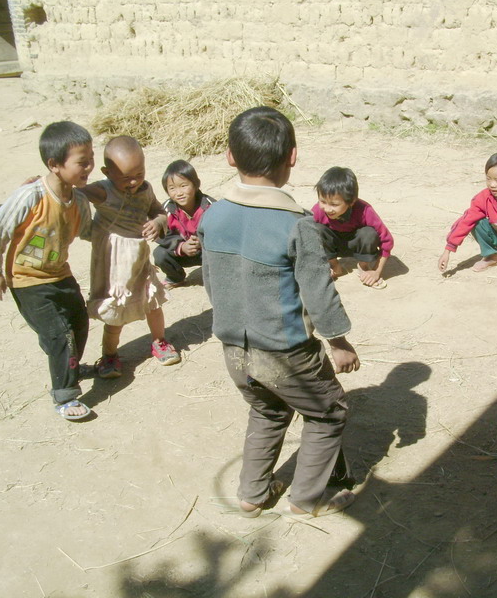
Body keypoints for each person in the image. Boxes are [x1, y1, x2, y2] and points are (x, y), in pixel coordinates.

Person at [198, 106, 360, 518]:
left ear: (230, 157)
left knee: (268, 408)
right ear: (292, 157)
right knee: (328, 413)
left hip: (234, 348)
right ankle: (307, 499)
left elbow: (212, 283)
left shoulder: (212, 215)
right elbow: (317, 290)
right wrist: (338, 342)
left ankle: (252, 494)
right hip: (287, 352)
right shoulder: (297, 224)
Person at [0, 121, 94, 420]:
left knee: (78, 322)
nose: (89, 167)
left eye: (91, 159)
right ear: (55, 164)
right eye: (81, 162)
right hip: (27, 280)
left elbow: (91, 232)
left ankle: (70, 364)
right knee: (59, 334)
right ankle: (64, 396)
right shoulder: (31, 196)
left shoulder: (80, 201)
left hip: (60, 273)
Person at [80, 136, 180, 378]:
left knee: (153, 304)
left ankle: (159, 341)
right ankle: (109, 356)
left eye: (140, 172)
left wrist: (158, 221)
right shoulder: (102, 192)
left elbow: (159, 210)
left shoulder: (145, 190)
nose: (134, 181)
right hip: (114, 264)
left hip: (139, 259)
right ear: (107, 172)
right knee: (116, 310)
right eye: (126, 177)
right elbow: (73, 189)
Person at [311, 166, 394, 289]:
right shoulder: (318, 211)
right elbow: (303, 233)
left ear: (351, 201)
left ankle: (364, 266)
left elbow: (387, 241)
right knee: (316, 229)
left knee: (369, 233)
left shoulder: (365, 211)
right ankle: (334, 266)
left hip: (357, 245)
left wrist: (376, 271)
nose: (327, 209)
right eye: (323, 201)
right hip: (333, 245)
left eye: (334, 204)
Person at [153, 160, 215, 289]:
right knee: (159, 254)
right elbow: (162, 236)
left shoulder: (210, 206)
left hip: (206, 252)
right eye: (172, 188)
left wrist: (203, 242)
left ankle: (216, 276)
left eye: (183, 186)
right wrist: (181, 246)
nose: (179, 193)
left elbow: (221, 232)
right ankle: (175, 277)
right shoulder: (166, 210)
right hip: (182, 252)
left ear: (196, 185)